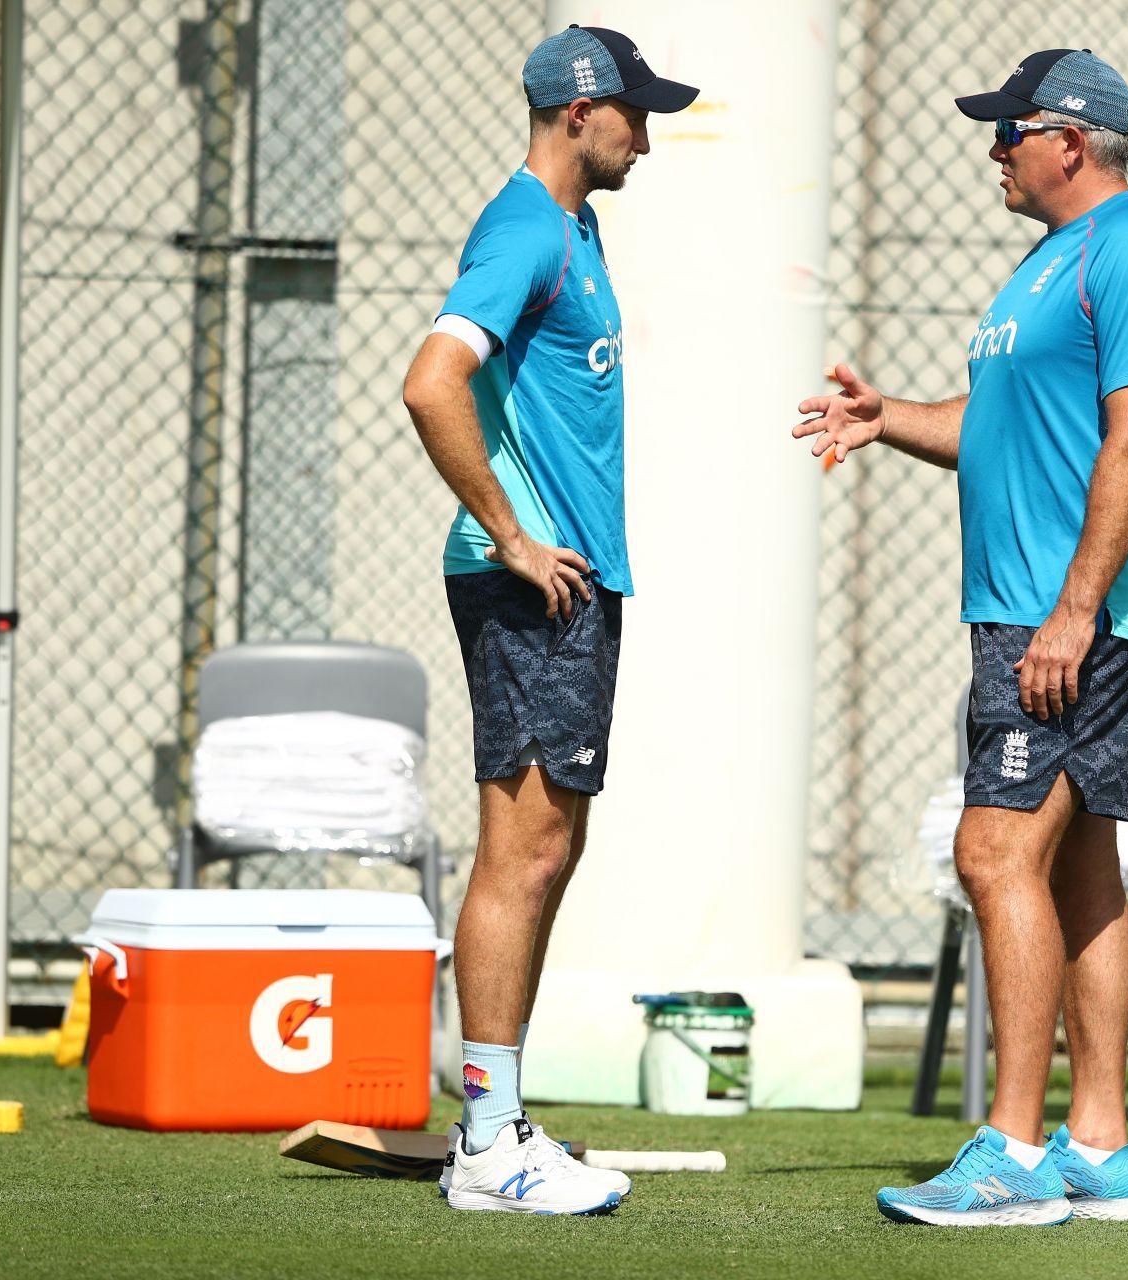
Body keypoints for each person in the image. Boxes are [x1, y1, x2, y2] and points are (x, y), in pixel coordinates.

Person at [794, 48, 1128, 1228]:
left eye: (1008, 130)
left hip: (1064, 615)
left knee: (992, 854)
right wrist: (887, 420)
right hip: (1033, 609)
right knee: (1077, 866)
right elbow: (1000, 423)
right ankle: (1099, 1148)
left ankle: (1014, 1154)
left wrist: (1074, 609)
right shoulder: (1048, 265)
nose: (992, 150)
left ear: (1070, 140)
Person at [401, 24, 696, 1216]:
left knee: (548, 845)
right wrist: (514, 536)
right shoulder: (527, 225)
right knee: (520, 848)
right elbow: (432, 379)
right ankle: (483, 1138)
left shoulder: (575, 228)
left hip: (570, 584)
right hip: (532, 585)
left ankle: (499, 1114)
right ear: (580, 111)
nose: (647, 132)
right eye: (635, 110)